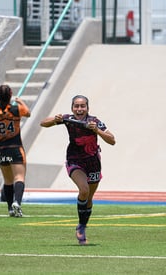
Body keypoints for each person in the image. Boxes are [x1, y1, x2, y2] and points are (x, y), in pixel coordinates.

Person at [40, 95, 115, 244]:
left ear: (87, 108)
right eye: (76, 106)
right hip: (75, 161)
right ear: (72, 108)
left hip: (93, 162)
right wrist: (56, 119)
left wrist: (97, 131)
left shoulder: (95, 122)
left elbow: (112, 140)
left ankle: (82, 224)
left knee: (89, 199)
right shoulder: (68, 119)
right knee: (84, 190)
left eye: (82, 106)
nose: (79, 109)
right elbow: (43, 123)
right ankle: (81, 228)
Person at [0, 84, 31, 217]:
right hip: (15, 147)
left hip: (1, 149)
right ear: (11, 94)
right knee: (19, 177)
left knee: (7, 180)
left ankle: (10, 209)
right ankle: (17, 202)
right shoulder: (16, 109)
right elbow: (28, 113)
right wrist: (20, 101)